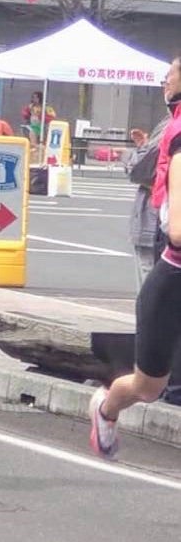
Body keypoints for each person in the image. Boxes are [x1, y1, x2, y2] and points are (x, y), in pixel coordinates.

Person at [89, 56, 181, 459]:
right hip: (172, 281)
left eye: (168, 77)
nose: (165, 83)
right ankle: (106, 408)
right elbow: (178, 228)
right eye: (166, 78)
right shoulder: (179, 139)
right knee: (148, 387)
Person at [126, 121, 168, 291]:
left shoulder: (171, 126)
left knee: (149, 284)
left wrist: (143, 148)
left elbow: (139, 170)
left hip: (157, 218)